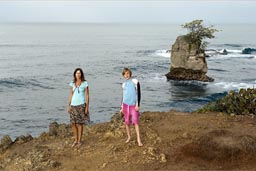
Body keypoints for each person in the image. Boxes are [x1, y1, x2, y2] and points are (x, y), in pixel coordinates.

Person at [67, 68, 89, 148]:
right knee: (73, 123)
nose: (78, 74)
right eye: (77, 73)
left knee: (80, 123)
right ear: (74, 74)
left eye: (79, 73)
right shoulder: (72, 83)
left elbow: (87, 95)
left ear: (81, 74)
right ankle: (75, 140)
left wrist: (87, 107)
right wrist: (68, 105)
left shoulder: (85, 83)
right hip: (73, 105)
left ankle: (79, 141)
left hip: (81, 105)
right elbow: (70, 95)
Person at [120, 67, 143, 146]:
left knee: (136, 122)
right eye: (125, 74)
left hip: (133, 106)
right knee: (127, 122)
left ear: (130, 74)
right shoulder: (123, 85)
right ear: (123, 75)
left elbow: (139, 93)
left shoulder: (135, 81)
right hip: (126, 105)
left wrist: (138, 105)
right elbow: (123, 96)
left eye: (127, 73)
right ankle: (129, 137)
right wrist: (122, 107)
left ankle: (138, 139)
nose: (126, 75)